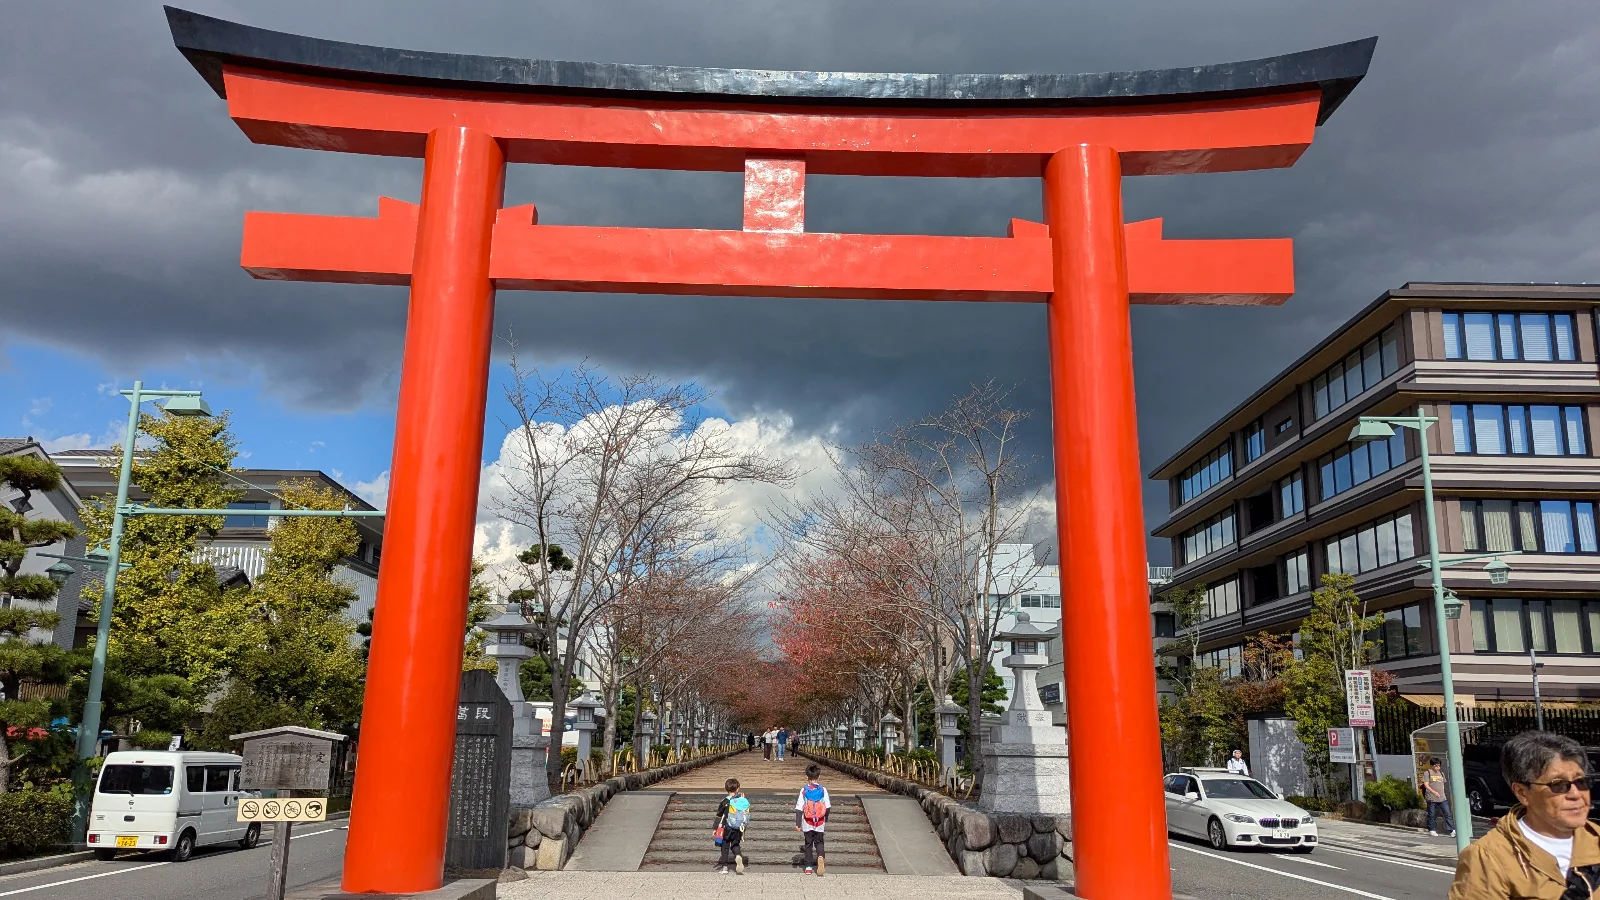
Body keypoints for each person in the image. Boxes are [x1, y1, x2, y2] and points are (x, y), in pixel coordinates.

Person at [1450, 730, 1599, 899]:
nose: (1576, 794)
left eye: (1581, 781)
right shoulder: (1488, 858)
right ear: (1522, 792)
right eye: (1558, 784)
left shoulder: (1596, 839)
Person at [794, 763, 831, 876]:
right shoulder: (823, 790)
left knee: (808, 844)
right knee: (819, 842)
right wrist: (825, 819)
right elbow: (828, 807)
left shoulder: (804, 790)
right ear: (818, 777)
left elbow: (799, 808)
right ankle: (820, 856)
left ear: (807, 777)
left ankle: (809, 866)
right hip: (819, 822)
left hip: (807, 822)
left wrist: (798, 823)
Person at [714, 777, 750, 875]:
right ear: (737, 789)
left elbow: (719, 815)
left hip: (726, 827)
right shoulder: (742, 800)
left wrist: (715, 828)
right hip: (738, 828)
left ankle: (725, 867)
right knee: (735, 844)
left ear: (726, 789)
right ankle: (738, 855)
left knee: (725, 846)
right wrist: (742, 799)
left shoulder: (725, 801)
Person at [1423, 757, 1457, 837]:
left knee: (1447, 813)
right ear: (1432, 765)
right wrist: (1434, 792)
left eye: (1439, 766)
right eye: (1436, 766)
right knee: (1432, 814)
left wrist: (1442, 793)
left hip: (1442, 797)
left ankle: (1452, 830)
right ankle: (1432, 829)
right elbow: (1426, 784)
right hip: (1432, 797)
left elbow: (1443, 784)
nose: (1438, 767)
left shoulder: (1441, 774)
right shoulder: (1428, 773)